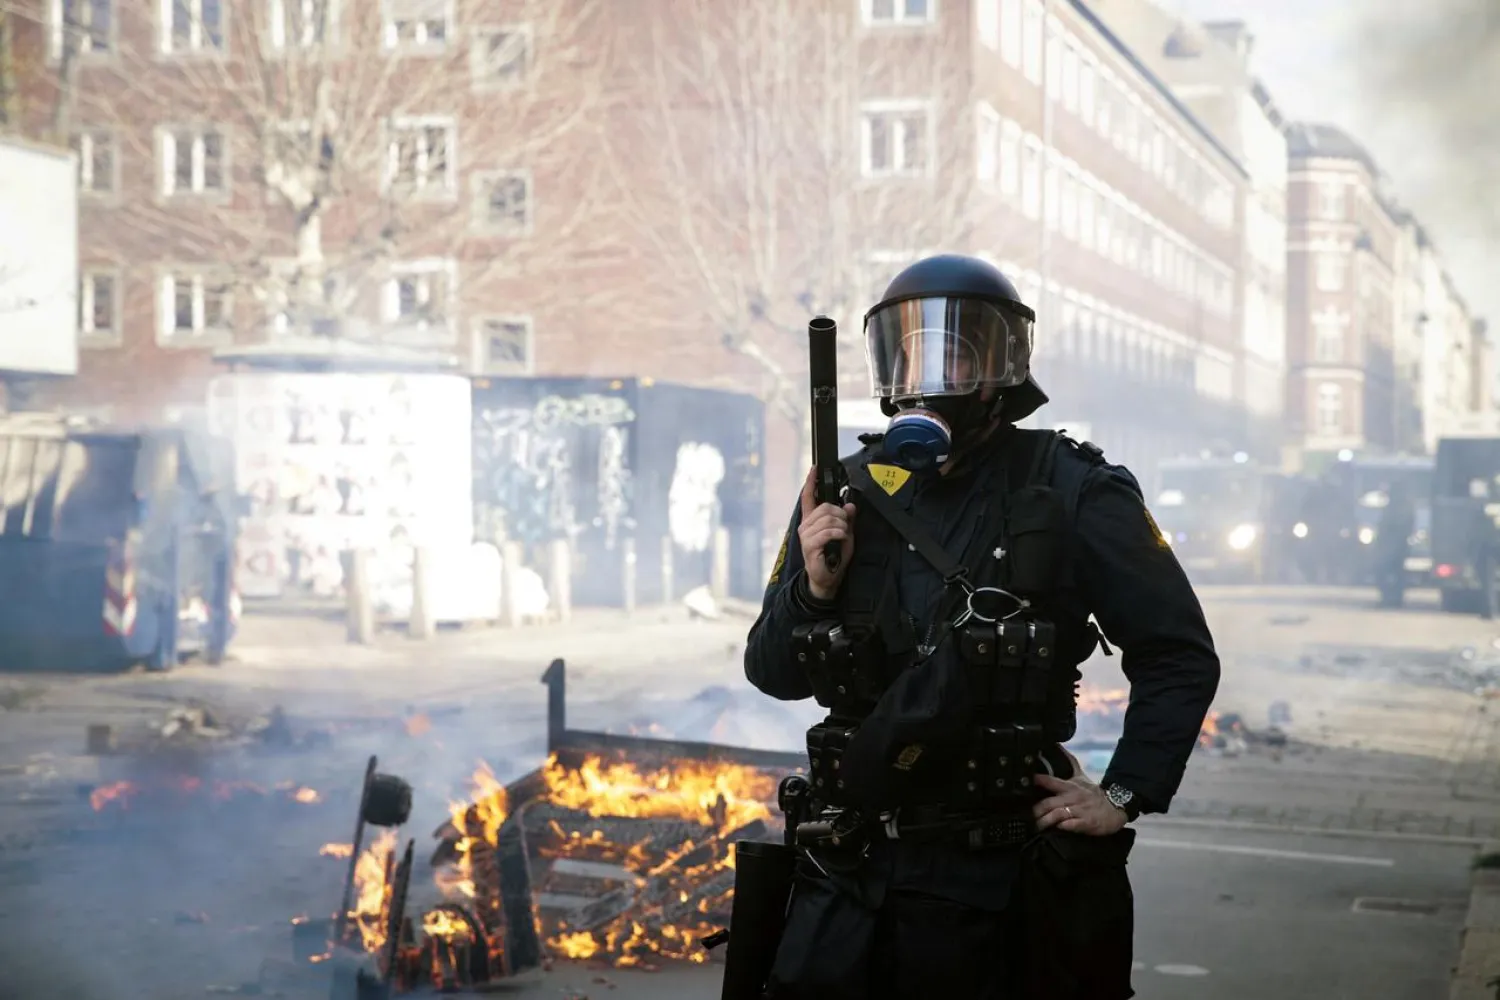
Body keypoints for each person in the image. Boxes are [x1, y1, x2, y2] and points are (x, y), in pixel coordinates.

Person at [743, 255, 1220, 999]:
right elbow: (771, 670)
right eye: (912, 350)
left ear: (1004, 367)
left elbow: (1178, 655)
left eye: (957, 352)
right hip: (845, 874)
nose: (932, 371)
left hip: (988, 888)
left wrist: (1125, 793)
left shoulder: (1073, 487)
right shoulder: (844, 491)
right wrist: (815, 584)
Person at [1373, 481, 1415, 608]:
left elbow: (1405, 527)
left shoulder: (1405, 508)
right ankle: (1388, 596)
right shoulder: (1391, 507)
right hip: (1388, 546)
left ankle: (1395, 597)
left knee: (1396, 573)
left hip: (1398, 546)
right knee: (1384, 572)